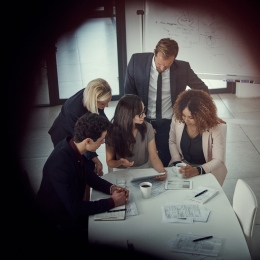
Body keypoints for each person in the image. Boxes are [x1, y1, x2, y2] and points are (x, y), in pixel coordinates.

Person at [36, 112, 129, 242]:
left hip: (70, 213)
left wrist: (111, 188)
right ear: (88, 141)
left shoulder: (72, 147)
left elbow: (88, 176)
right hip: (59, 221)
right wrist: (112, 202)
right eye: (102, 139)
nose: (103, 143)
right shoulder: (60, 164)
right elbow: (75, 208)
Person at [124, 38, 211, 167]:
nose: (162, 68)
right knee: (141, 162)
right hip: (143, 120)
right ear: (155, 52)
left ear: (174, 58)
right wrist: (141, 123)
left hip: (168, 122)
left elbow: (203, 90)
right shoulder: (136, 62)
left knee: (166, 161)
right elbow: (129, 96)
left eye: (167, 65)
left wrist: (208, 114)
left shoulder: (183, 68)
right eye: (159, 64)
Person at [48, 78, 112, 176]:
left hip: (78, 132)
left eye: (108, 102)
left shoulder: (91, 94)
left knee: (88, 167)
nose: (106, 106)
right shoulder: (74, 110)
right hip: (64, 134)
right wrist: (97, 160)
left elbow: (102, 118)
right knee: (80, 170)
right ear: (93, 100)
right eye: (103, 103)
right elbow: (83, 141)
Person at [168, 89, 227, 186]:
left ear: (201, 116)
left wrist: (197, 170)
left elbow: (218, 160)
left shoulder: (215, 128)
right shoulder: (177, 118)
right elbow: (172, 141)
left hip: (207, 170)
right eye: (183, 115)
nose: (185, 120)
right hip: (183, 165)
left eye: (190, 117)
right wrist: (178, 163)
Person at [105, 94, 167, 181]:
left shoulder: (147, 127)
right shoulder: (112, 132)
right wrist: (120, 162)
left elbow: (153, 156)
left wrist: (162, 172)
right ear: (128, 114)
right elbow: (109, 162)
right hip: (121, 172)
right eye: (140, 113)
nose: (144, 116)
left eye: (143, 111)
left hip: (144, 169)